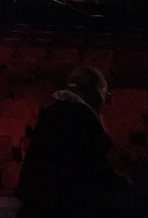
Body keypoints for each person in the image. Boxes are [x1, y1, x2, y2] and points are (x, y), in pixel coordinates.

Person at [15, 65, 133, 217]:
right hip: (66, 203)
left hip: (40, 201)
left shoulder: (51, 112)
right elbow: (95, 167)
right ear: (97, 93)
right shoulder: (84, 118)